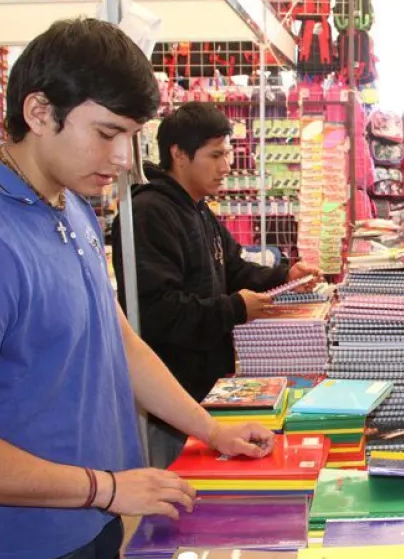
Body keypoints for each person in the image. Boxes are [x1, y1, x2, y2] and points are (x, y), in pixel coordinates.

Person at [0, 19, 274, 559]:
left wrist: (210, 429)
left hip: (90, 520)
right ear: (40, 110)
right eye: (107, 134)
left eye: (131, 136)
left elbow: (118, 339)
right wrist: (106, 488)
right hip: (21, 549)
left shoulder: (66, 202)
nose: (124, 160)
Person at [112, 101, 320, 467]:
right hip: (170, 399)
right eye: (216, 155)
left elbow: (234, 268)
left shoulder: (197, 209)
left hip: (209, 392)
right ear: (179, 154)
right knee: (179, 487)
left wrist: (285, 276)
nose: (227, 167)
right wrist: (235, 308)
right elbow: (157, 310)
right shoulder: (149, 214)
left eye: (228, 154)